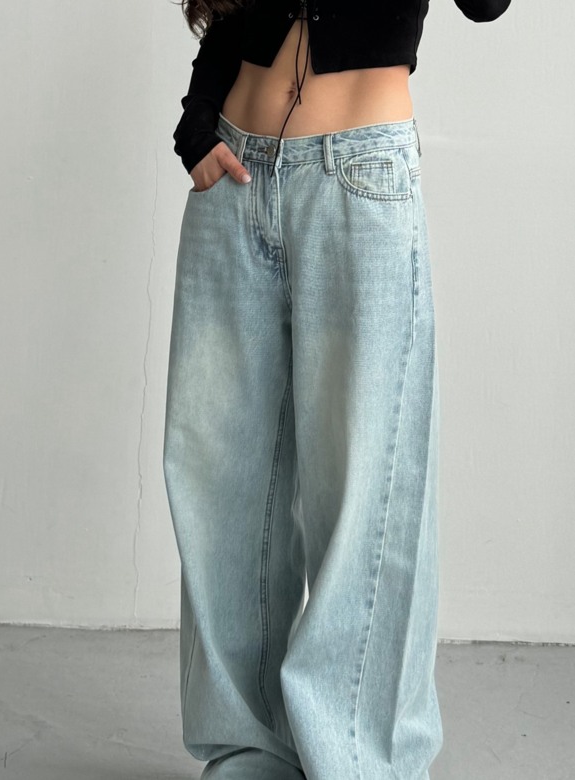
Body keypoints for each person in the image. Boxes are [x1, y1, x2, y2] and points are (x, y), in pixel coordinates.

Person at [163, 1, 512, 778]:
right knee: (221, 489)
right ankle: (245, 754)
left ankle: (359, 763)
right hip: (235, 172)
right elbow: (230, 18)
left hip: (359, 175)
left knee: (367, 496)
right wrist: (196, 127)